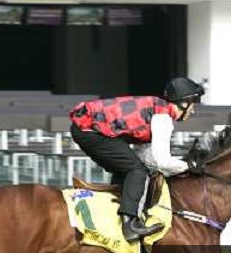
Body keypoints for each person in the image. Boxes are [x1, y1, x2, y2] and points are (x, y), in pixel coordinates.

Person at [69, 77, 205, 242]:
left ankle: (117, 212)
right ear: (183, 103)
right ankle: (130, 227)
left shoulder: (157, 109)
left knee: (132, 169)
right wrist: (188, 166)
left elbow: (146, 156)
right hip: (90, 130)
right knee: (137, 171)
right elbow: (162, 161)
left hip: (87, 129)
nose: (193, 110)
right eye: (193, 105)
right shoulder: (163, 117)